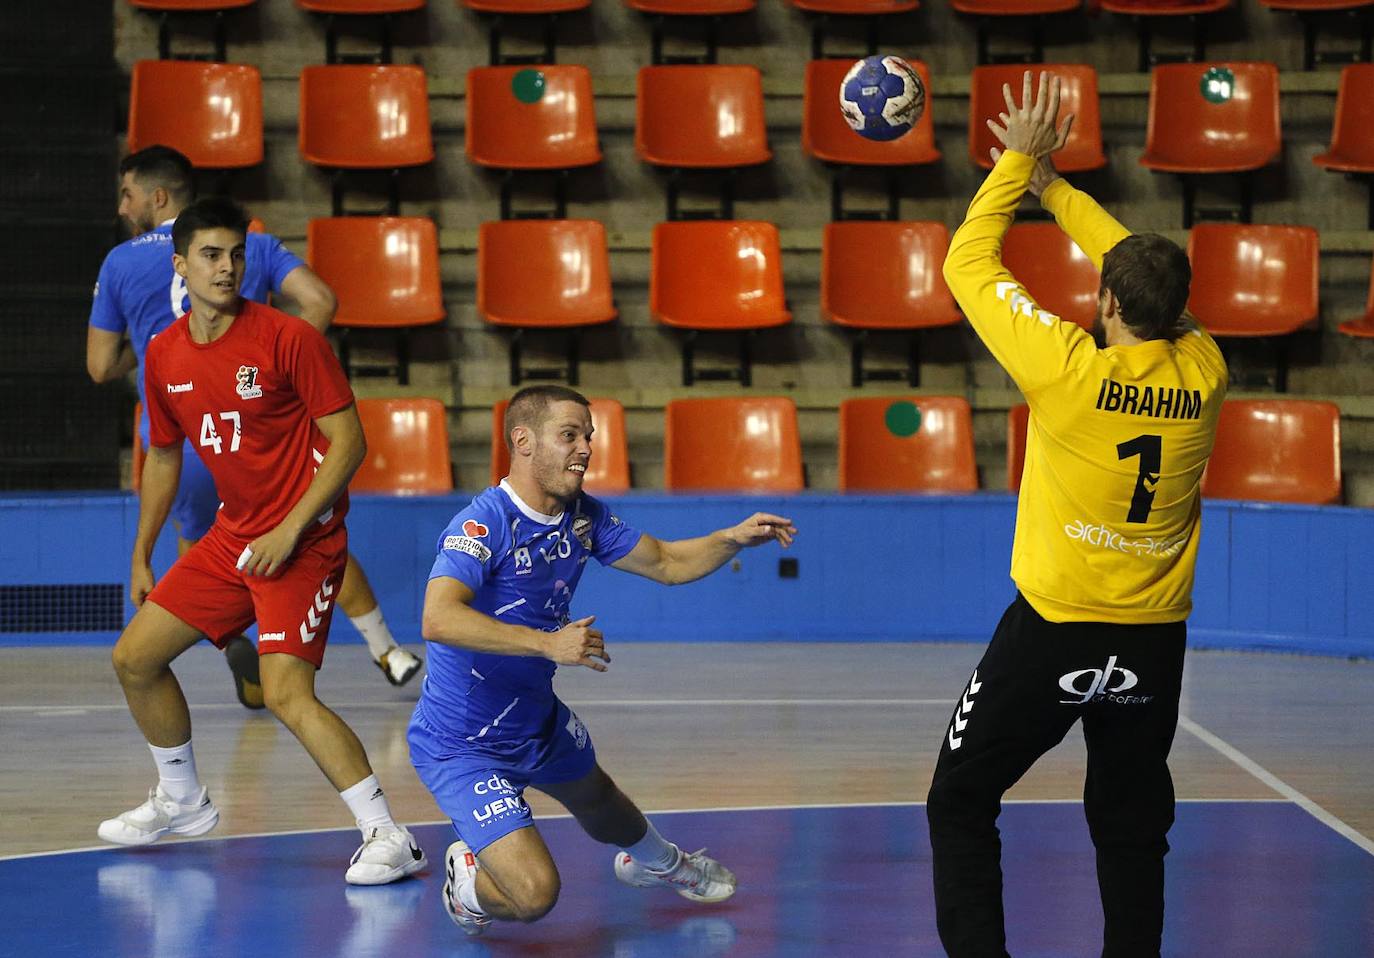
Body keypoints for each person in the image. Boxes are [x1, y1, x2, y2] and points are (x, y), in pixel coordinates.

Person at [926, 72, 1228, 958]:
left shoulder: (1068, 370)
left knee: (960, 798)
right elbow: (1137, 262)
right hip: (1154, 640)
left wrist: (1023, 165)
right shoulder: (1205, 368)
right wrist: (1056, 186)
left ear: (1103, 303)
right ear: (1178, 317)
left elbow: (966, 263)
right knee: (1132, 823)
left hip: (1055, 631)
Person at [96, 196, 426, 887]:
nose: (228, 268)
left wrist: (291, 528)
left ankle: (389, 836)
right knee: (135, 658)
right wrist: (142, 552)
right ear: (180, 265)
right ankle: (182, 800)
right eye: (211, 255)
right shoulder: (162, 354)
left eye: (236, 255)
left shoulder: (287, 338)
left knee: (285, 694)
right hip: (232, 539)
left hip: (302, 543)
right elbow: (163, 457)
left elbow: (350, 444)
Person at [411, 385, 798, 936]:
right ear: (522, 441)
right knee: (534, 895)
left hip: (533, 721)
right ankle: (467, 889)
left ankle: (660, 863)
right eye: (569, 435)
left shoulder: (582, 517)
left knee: (599, 798)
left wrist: (730, 538)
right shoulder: (482, 525)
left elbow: (665, 561)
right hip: (461, 743)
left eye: (588, 437)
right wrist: (547, 644)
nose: (586, 448)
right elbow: (438, 618)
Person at [87, 146, 423, 709]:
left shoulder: (120, 262)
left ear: (158, 196)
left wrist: (150, 357)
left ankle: (236, 645)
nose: (124, 206)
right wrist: (274, 368)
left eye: (128, 194)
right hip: (261, 426)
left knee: (205, 555)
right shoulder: (258, 246)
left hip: (185, 430)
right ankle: (386, 649)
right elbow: (320, 300)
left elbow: (99, 366)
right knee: (309, 535)